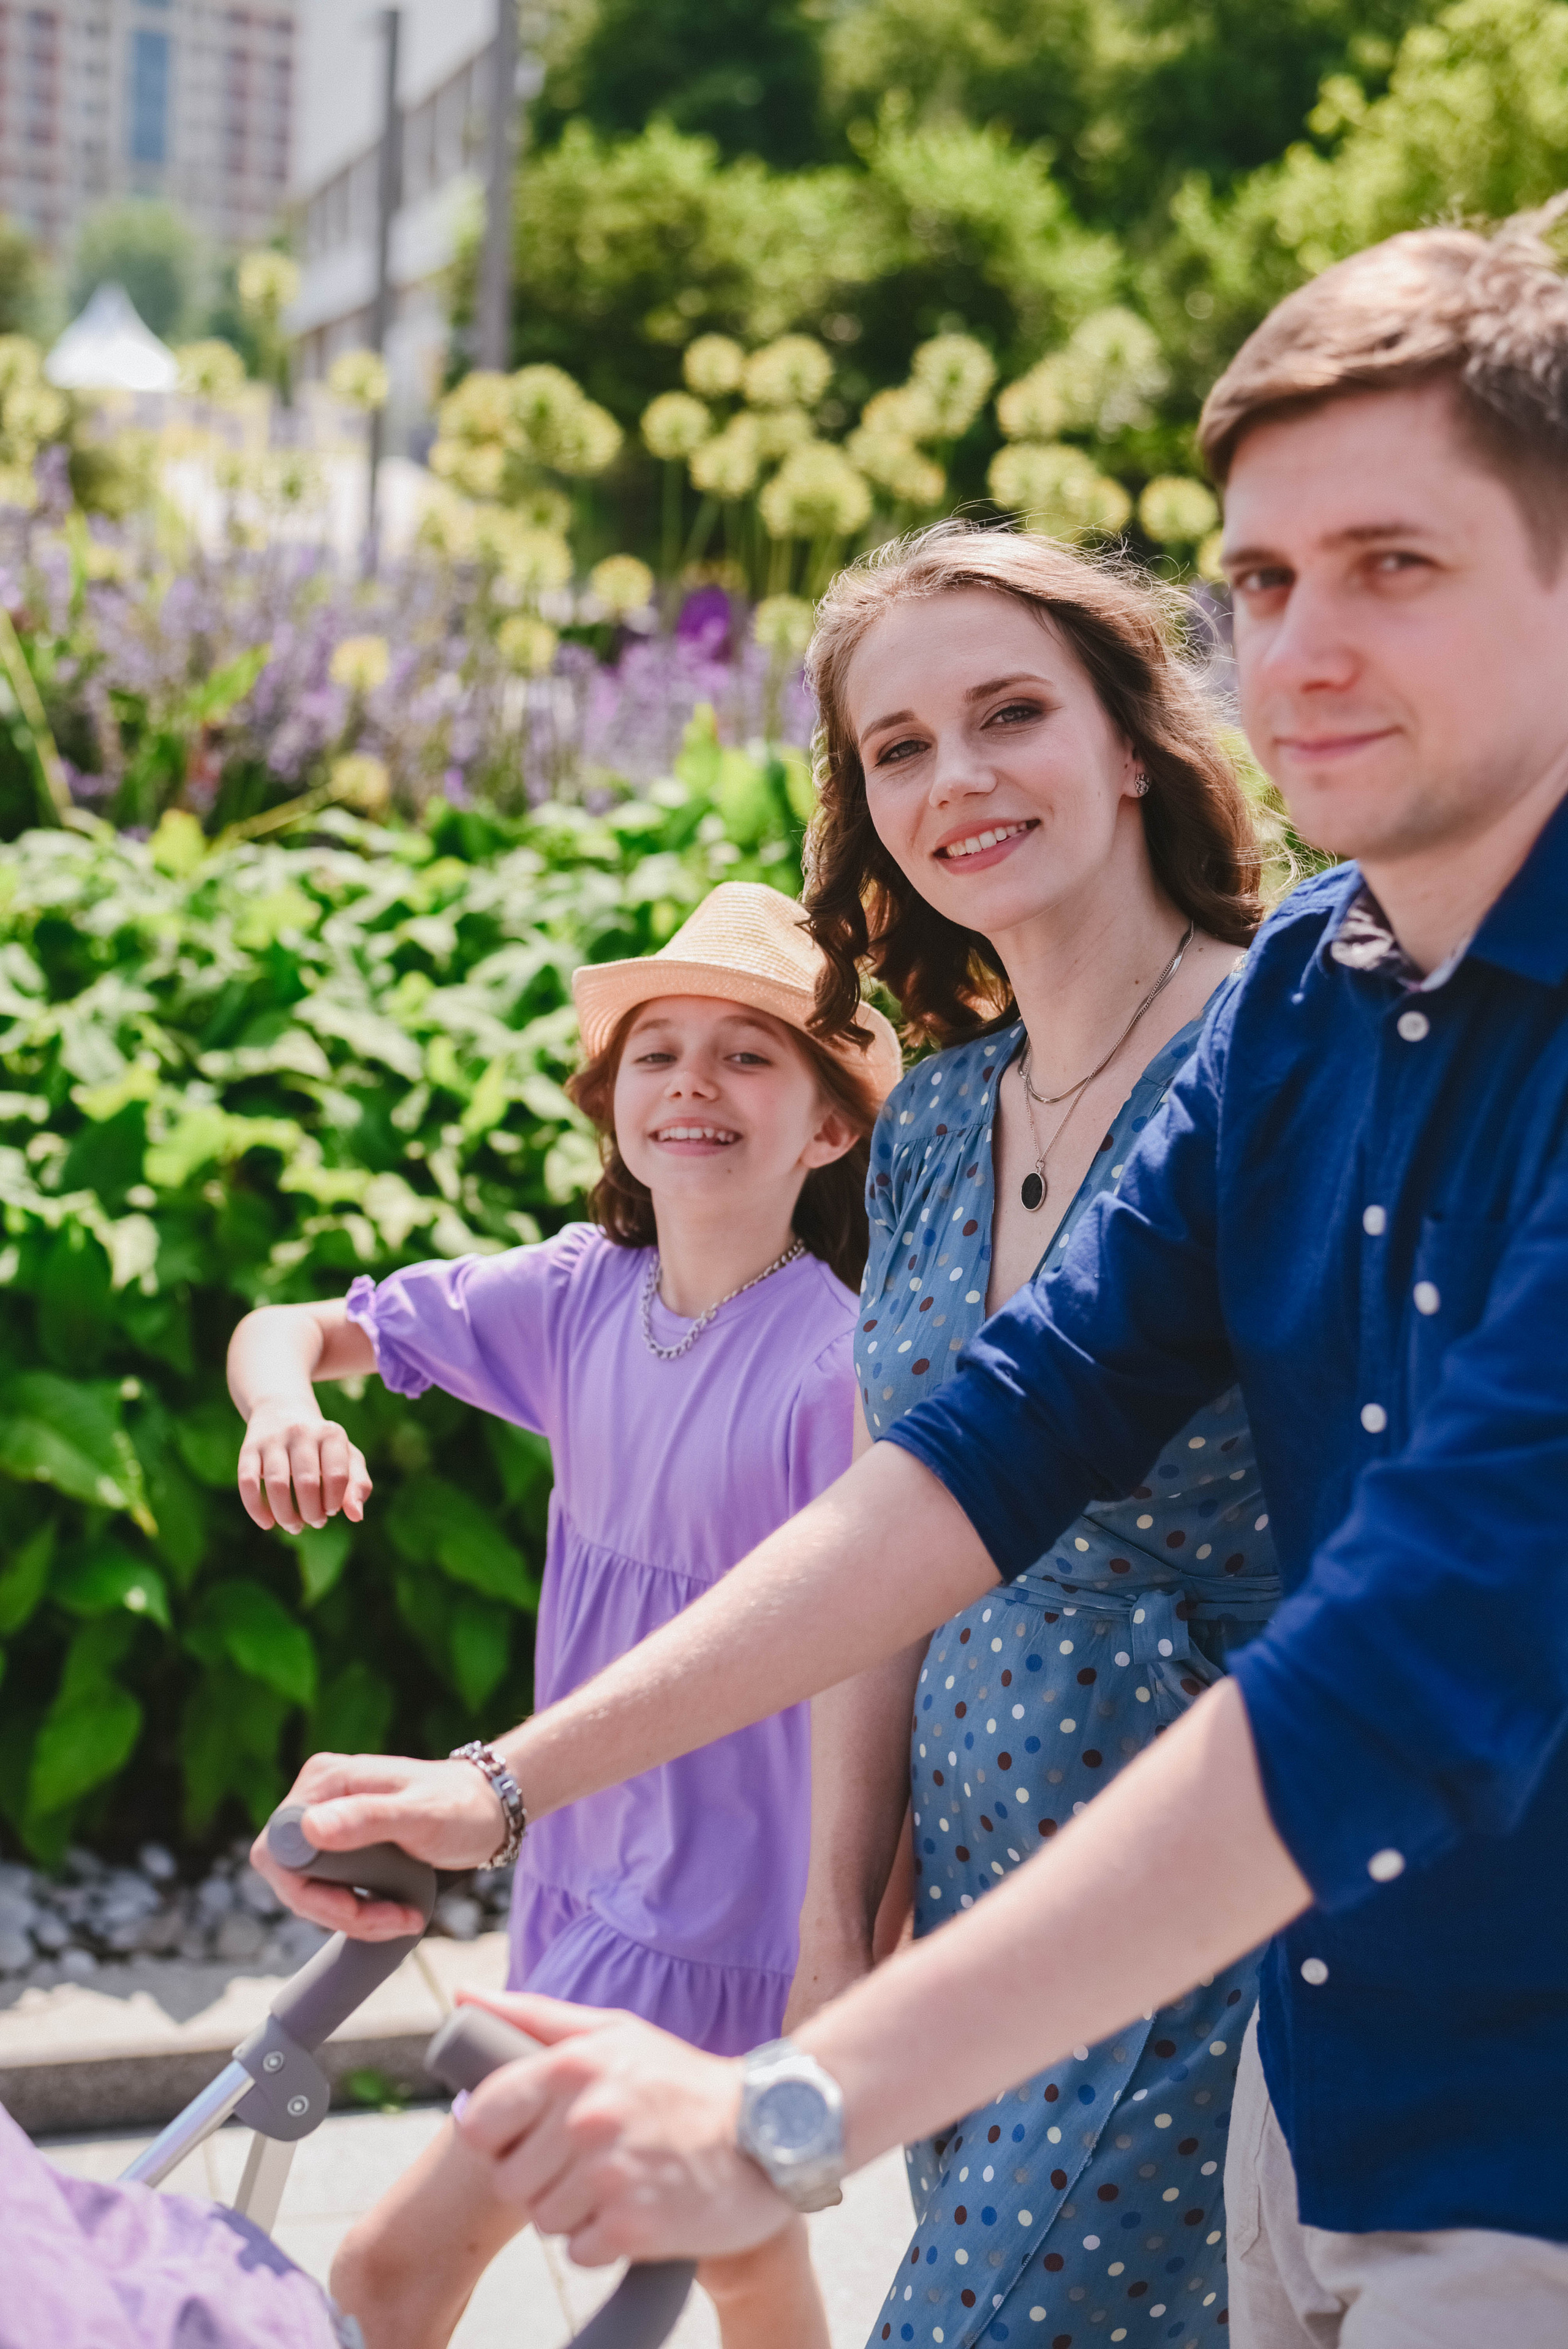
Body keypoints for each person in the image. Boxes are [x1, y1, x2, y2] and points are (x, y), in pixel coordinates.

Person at [257, 203, 1568, 2347]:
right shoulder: (1309, 1011)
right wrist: (506, 1783)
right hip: (1315, 2087)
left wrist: (786, 2104)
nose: (1304, 647)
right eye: (1262, 580)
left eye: (1395, 566)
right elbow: (984, 1441)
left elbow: (1415, 1659)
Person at [225, 880, 902, 2349]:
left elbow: (871, 1653)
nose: (693, 1083)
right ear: (614, 1102)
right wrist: (283, 1406)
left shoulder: (834, 1365)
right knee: (738, 2268)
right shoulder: (579, 1298)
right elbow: (292, 1327)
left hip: (732, 1915)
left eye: (748, 1053)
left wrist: (837, 1930)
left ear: (829, 1126)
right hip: (577, 1871)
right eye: (658, 1052)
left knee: (390, 2272)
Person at [773, 524, 1278, 2349]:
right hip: (979, 1899)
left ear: (1130, 740)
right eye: (898, 747)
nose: (957, 778)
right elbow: (890, 1532)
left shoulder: (1282, 1037)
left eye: (1009, 714)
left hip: (1199, 1886)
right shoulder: (933, 1121)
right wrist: (839, 1913)